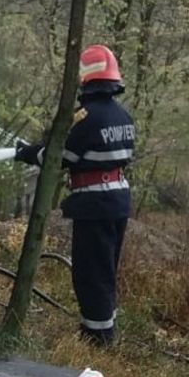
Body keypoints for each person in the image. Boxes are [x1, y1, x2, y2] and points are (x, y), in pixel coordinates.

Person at [15, 44, 135, 346]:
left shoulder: (86, 119)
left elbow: (58, 158)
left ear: (85, 79)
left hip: (94, 203)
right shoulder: (123, 117)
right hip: (117, 200)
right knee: (106, 268)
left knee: (90, 273)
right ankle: (106, 330)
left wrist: (25, 152)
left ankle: (96, 338)